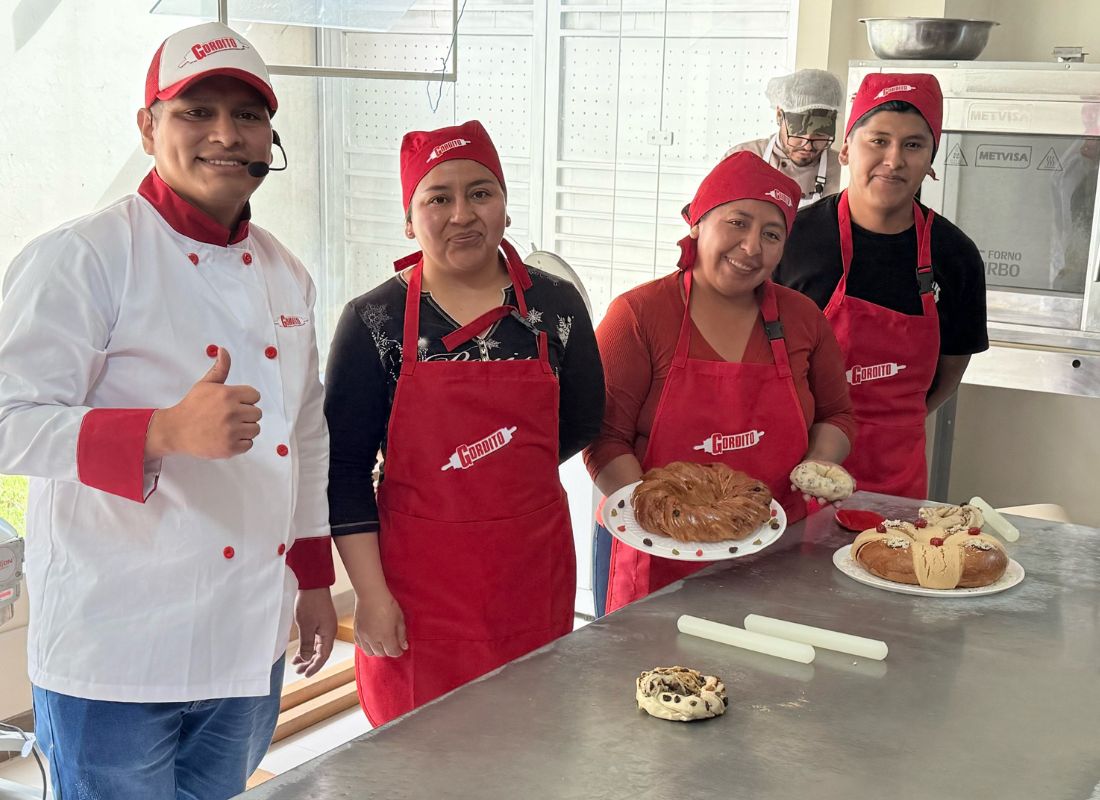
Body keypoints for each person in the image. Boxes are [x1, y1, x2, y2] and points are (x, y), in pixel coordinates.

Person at [0, 22, 337, 800]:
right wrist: (159, 431)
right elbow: (10, 420)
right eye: (196, 111)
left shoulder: (287, 273)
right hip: (116, 646)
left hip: (248, 634)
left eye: (246, 115)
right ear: (148, 127)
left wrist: (313, 577)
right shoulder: (83, 257)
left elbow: (306, 436)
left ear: (267, 137)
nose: (225, 133)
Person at [324, 120, 605, 726]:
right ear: (408, 218)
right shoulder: (374, 319)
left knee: (529, 745)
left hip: (530, 575)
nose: (462, 214)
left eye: (481, 192)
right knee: (420, 759)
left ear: (504, 206)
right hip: (416, 591)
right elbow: (343, 468)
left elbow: (583, 421)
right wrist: (370, 597)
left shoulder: (555, 308)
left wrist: (498, 479)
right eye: (438, 197)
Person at [584, 152, 855, 616]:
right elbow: (604, 439)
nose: (752, 247)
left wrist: (819, 465)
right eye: (737, 222)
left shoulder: (802, 318)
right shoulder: (639, 315)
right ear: (697, 223)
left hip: (777, 548)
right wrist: (674, 522)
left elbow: (838, 415)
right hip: (659, 555)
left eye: (771, 234)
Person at [775, 73, 988, 500]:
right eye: (878, 141)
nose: (893, 160)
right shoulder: (790, 239)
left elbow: (950, 373)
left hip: (894, 481)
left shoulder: (956, 256)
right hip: (794, 470)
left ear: (931, 159)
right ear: (846, 149)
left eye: (913, 145)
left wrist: (892, 423)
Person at [726, 69, 844, 209]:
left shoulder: (842, 170)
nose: (807, 146)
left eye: (820, 135)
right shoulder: (740, 159)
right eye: (798, 134)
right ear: (779, 115)